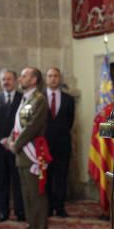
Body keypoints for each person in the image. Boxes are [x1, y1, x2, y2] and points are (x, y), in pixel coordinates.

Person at [3, 67, 50, 229]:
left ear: (34, 80)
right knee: (26, 194)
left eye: (24, 76)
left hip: (32, 153)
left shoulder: (39, 100)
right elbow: (18, 125)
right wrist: (10, 140)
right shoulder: (26, 98)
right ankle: (31, 228)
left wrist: (17, 144)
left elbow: (32, 127)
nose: (20, 79)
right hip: (22, 153)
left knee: (36, 193)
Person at [0, 69, 25, 222]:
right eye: (3, 79)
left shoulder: (23, 99)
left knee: (18, 181)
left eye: (9, 79)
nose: (6, 82)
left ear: (15, 81)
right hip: (0, 147)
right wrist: (3, 140)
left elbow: (25, 122)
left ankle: (20, 211)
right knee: (1, 181)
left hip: (17, 146)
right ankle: (3, 211)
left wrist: (13, 141)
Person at [44, 67, 75, 218]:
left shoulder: (69, 99)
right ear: (46, 79)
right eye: (50, 76)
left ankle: (60, 207)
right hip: (44, 144)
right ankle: (48, 207)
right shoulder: (39, 98)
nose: (53, 79)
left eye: (56, 76)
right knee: (47, 176)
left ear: (60, 78)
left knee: (61, 176)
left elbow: (70, 121)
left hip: (63, 144)